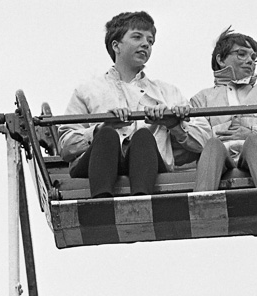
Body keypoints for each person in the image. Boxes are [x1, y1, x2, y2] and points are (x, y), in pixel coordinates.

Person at [57, 11, 210, 198]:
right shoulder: (87, 91)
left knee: (143, 137)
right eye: (137, 37)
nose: (146, 44)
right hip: (94, 166)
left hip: (149, 166)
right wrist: (99, 129)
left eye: (150, 41)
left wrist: (174, 125)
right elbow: (65, 146)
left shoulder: (168, 92)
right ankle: (102, 203)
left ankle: (141, 202)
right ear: (116, 45)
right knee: (106, 135)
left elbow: (204, 141)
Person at [190, 27, 257, 192]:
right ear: (221, 59)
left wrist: (252, 132)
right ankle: (202, 202)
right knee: (212, 146)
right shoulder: (202, 99)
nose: (250, 61)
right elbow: (195, 138)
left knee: (254, 141)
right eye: (242, 54)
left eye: (254, 57)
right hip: (219, 160)